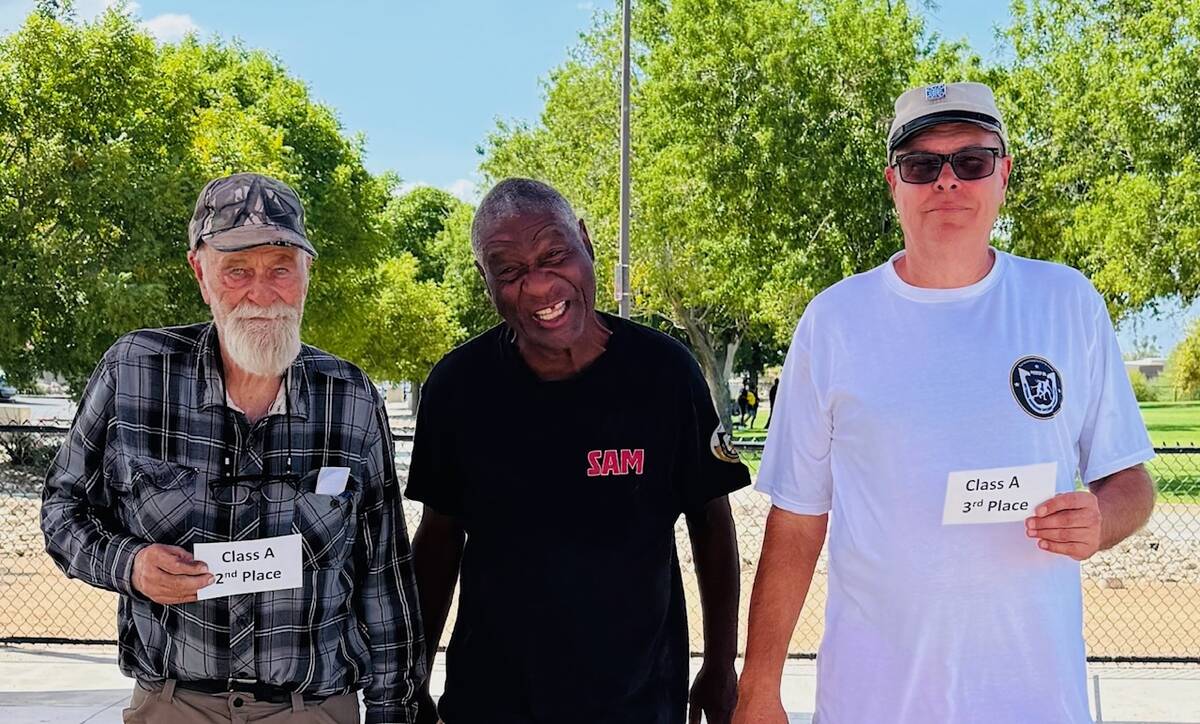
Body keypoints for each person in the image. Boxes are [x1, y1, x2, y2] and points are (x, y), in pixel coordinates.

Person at [733, 82, 1156, 724]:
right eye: (923, 165)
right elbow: (796, 521)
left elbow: (1132, 483)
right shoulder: (835, 321)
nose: (947, 181)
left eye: (972, 161)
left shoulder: (1067, 304)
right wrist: (758, 691)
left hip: (1035, 702)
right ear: (893, 183)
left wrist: (1099, 519)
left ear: (1003, 174)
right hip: (873, 704)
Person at [41, 172, 425, 724]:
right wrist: (130, 565)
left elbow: (383, 574)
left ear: (307, 272)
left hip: (312, 710)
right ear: (200, 271)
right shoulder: (134, 372)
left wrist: (397, 712)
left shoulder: (351, 397)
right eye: (237, 271)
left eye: (281, 269)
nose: (261, 293)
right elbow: (62, 511)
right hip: (174, 704)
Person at [406, 178, 751, 724]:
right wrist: (413, 676)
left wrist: (721, 663)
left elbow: (711, 520)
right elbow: (439, 538)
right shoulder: (456, 388)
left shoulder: (665, 374)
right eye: (510, 271)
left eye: (555, 254)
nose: (540, 286)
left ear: (586, 243)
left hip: (638, 702)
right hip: (491, 702)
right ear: (485, 279)